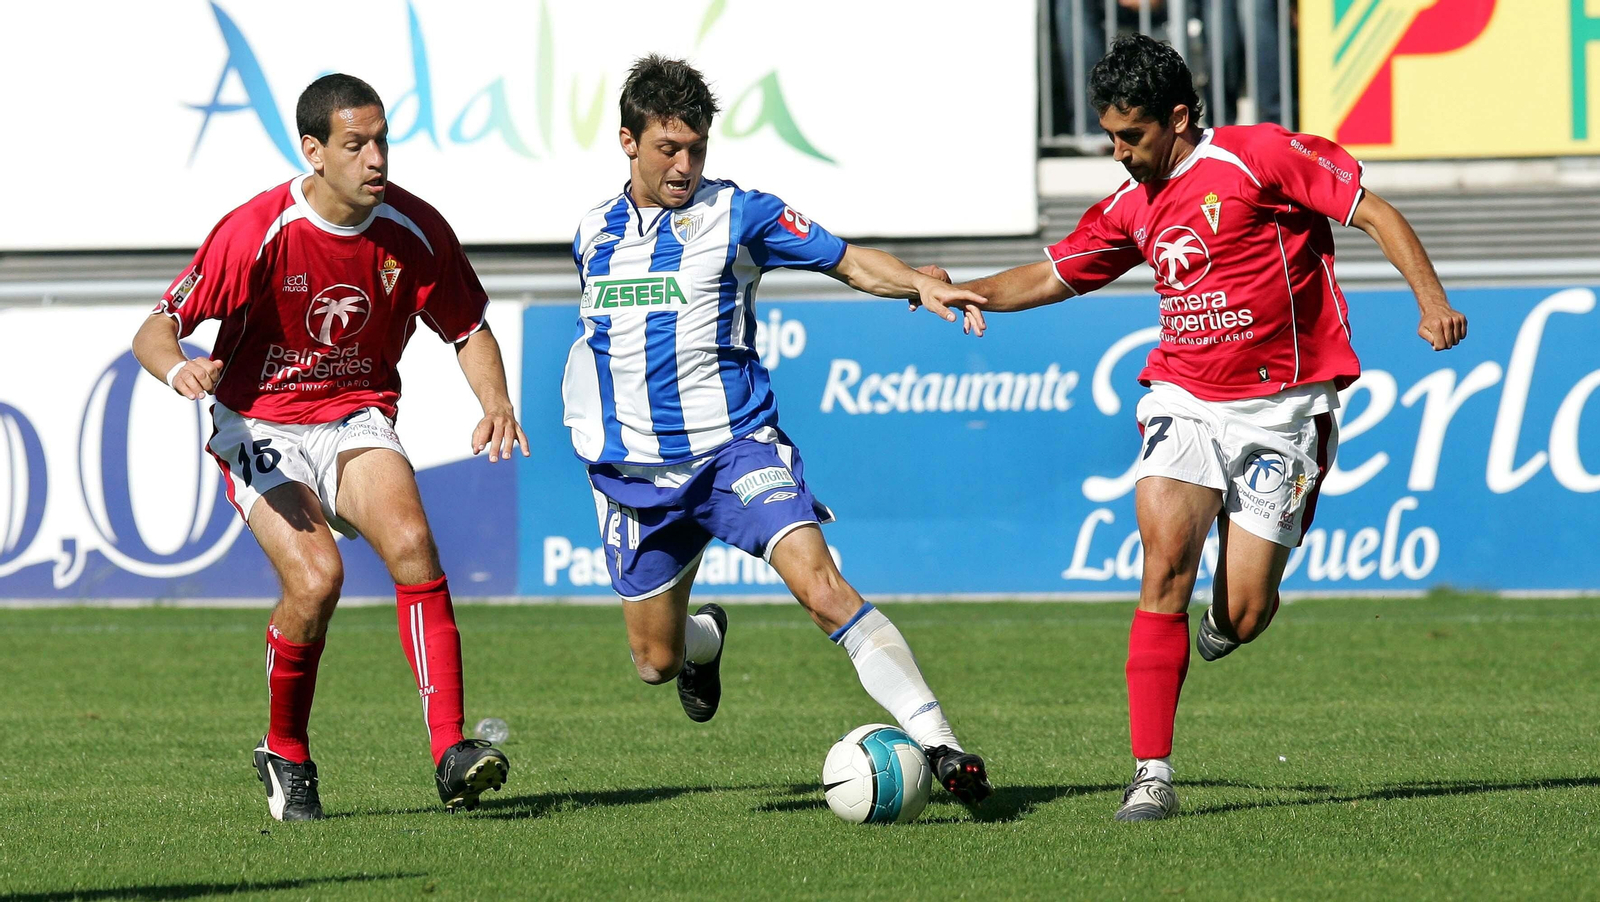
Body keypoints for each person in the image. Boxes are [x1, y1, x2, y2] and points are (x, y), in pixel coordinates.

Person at [937, 35, 1465, 820]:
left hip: (1284, 408)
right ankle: (1151, 773)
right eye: (1109, 137)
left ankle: (1223, 622)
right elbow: (1053, 273)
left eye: (1133, 136)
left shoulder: (1259, 158)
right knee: (1163, 568)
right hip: (1184, 396)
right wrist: (962, 291)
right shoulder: (1130, 204)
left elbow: (1373, 211)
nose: (1118, 153)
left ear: (1179, 117)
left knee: (1244, 612)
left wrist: (1431, 301)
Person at [561, 55, 993, 803]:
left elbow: (848, 261)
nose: (685, 165)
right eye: (669, 149)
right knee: (654, 663)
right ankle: (704, 642)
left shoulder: (741, 215)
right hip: (633, 476)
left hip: (737, 449)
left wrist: (918, 284)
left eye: (697, 148)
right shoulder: (591, 232)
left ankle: (943, 744)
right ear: (628, 141)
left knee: (822, 588)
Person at [131, 74, 527, 821]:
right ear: (314, 152)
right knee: (316, 580)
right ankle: (285, 750)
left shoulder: (415, 231)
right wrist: (180, 365)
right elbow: (155, 327)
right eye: (356, 144)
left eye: (381, 140)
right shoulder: (256, 229)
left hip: (355, 415)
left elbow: (468, 326)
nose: (376, 158)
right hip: (259, 424)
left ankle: (451, 751)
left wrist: (496, 401)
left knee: (412, 541)